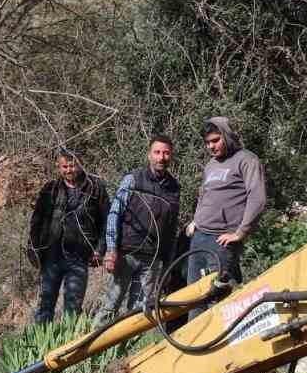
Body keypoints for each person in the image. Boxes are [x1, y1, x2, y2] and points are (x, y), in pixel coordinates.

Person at [186, 116, 266, 294]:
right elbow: (204, 194)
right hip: (198, 237)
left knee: (218, 296)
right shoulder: (211, 165)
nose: (211, 147)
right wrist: (195, 221)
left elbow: (257, 198)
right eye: (207, 143)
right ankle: (195, 323)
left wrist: (241, 232)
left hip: (221, 241)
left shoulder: (247, 160)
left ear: (227, 136)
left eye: (215, 140)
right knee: (193, 294)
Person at [26, 149, 108, 323]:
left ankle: (68, 345)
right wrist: (33, 249)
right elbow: (37, 222)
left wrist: (100, 250)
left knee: (72, 309)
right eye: (65, 166)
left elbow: (106, 222)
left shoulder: (94, 188)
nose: (69, 170)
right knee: (45, 307)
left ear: (80, 164)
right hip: (51, 258)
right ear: (58, 166)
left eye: (72, 165)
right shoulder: (51, 189)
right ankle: (42, 345)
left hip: (79, 258)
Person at [103, 135, 181, 315]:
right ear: (149, 155)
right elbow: (115, 214)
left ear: (171, 156)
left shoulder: (174, 188)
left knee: (138, 313)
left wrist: (168, 266)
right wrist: (111, 249)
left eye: (166, 153)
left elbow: (171, 229)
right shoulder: (133, 179)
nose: (161, 157)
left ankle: (128, 345)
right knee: (109, 307)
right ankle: (92, 343)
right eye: (157, 152)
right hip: (126, 255)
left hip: (151, 261)